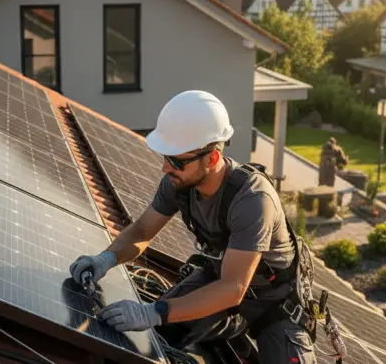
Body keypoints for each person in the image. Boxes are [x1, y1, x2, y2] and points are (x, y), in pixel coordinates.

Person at [69, 90, 316, 364]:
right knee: (157, 336)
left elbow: (234, 288)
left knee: (159, 315)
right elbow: (141, 232)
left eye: (176, 160)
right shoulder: (180, 183)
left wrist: (153, 311)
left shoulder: (253, 199)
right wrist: (106, 258)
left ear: (211, 158)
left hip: (272, 304)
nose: (165, 167)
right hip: (219, 281)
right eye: (166, 156)